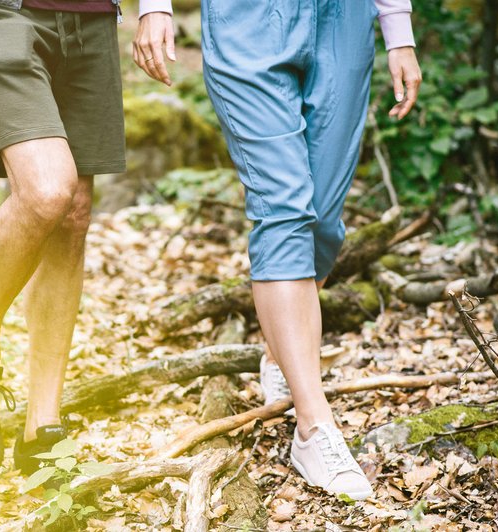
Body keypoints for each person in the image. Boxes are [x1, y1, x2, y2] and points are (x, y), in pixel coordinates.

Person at [135, 0, 421, 499]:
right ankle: (314, 427)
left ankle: (280, 353)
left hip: (343, 20)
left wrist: (399, 31)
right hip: (246, 18)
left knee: (323, 222)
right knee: (284, 207)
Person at [0, 0, 173, 475]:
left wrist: (155, 6)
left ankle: (43, 427)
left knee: (73, 214)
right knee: (47, 191)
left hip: (92, 15)